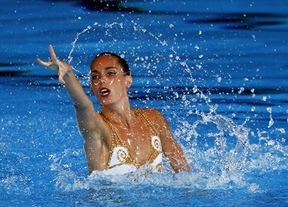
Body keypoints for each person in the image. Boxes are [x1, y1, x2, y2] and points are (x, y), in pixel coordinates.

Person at [37, 45, 190, 175]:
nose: (102, 79)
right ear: (91, 88)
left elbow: (184, 175)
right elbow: (82, 105)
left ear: (128, 80)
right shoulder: (97, 128)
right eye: (95, 77)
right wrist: (68, 73)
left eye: (110, 73)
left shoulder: (154, 119)